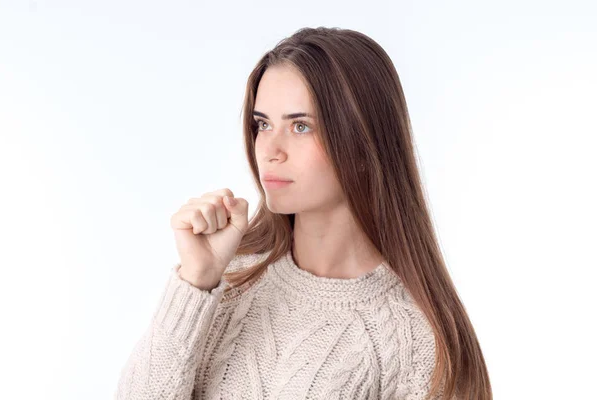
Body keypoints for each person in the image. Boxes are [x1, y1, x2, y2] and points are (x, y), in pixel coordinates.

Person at [115, 26, 492, 400]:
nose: (270, 150)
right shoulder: (228, 279)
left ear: (364, 143)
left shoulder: (414, 338)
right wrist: (195, 280)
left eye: (300, 126)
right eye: (263, 124)